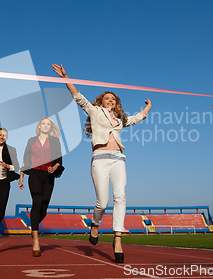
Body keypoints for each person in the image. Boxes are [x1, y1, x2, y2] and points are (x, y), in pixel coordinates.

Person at [52, 64, 152, 263]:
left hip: (118, 158)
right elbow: (78, 97)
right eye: (107, 98)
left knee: (121, 196)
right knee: (102, 202)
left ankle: (117, 239)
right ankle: (95, 224)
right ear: (101, 101)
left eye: (113, 99)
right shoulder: (95, 111)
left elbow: (136, 118)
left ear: (116, 104)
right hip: (99, 159)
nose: (110, 100)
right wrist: (65, 77)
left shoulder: (120, 120)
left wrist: (148, 107)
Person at [18, 117, 63, 257]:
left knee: (43, 208)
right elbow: (25, 158)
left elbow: (59, 159)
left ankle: (34, 226)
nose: (45, 125)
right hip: (34, 174)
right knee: (36, 202)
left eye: (48, 124)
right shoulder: (31, 140)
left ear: (51, 127)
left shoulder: (55, 141)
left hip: (49, 176)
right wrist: (21, 176)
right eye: (43, 123)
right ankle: (36, 241)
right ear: (39, 126)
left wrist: (54, 167)